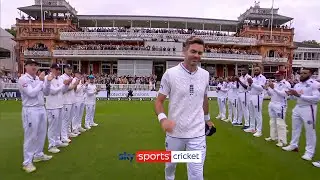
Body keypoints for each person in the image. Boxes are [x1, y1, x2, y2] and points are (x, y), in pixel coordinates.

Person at [154, 36, 213, 180]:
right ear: (184, 51)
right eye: (193, 51)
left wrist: (207, 119)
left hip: (197, 134)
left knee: (196, 175)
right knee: (170, 166)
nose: (197, 56)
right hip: (175, 133)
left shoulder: (205, 75)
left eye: (200, 53)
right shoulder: (170, 74)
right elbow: (159, 101)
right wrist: (163, 120)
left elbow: (204, 99)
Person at [18, 59, 53, 173]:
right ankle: (27, 162)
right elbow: (31, 93)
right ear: (26, 66)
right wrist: (41, 82)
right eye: (31, 65)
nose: (34, 67)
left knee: (42, 133)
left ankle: (38, 154)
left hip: (41, 107)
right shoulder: (23, 79)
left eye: (35, 65)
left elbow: (46, 93)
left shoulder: (38, 79)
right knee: (31, 136)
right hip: (30, 109)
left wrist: (47, 82)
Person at [282, 68, 320, 161]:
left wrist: (299, 95)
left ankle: (309, 152)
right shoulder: (298, 85)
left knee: (310, 130)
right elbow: (294, 98)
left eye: (305, 73)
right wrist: (291, 94)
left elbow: (316, 98)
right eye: (301, 73)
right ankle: (293, 145)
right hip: (298, 107)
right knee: (295, 128)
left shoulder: (314, 84)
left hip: (309, 108)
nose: (302, 75)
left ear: (310, 74)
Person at [45, 63, 71, 154]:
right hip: (52, 106)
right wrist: (63, 85)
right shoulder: (47, 78)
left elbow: (63, 91)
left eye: (59, 69)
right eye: (56, 69)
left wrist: (66, 85)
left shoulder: (59, 78)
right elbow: (52, 91)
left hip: (60, 104)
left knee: (58, 125)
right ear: (51, 69)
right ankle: (51, 145)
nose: (58, 71)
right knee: (52, 126)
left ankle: (57, 141)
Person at [264, 71, 291, 147]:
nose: (277, 77)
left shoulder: (286, 84)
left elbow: (284, 94)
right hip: (272, 103)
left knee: (280, 123)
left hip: (280, 105)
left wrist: (274, 88)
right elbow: (271, 94)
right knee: (272, 121)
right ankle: (273, 137)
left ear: (283, 75)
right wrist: (267, 89)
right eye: (276, 75)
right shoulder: (275, 83)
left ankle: (282, 141)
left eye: (278, 75)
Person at [245, 66, 266, 137]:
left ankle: (259, 130)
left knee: (258, 114)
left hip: (257, 97)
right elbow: (249, 89)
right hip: (251, 96)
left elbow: (260, 88)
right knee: (251, 113)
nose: (256, 71)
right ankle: (252, 128)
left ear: (260, 70)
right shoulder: (253, 78)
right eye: (255, 70)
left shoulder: (262, 78)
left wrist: (252, 84)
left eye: (257, 70)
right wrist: (250, 84)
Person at [60, 64, 80, 143]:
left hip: (71, 100)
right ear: (64, 69)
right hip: (66, 101)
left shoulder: (70, 78)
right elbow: (66, 89)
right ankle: (63, 136)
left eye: (70, 69)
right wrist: (75, 84)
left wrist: (76, 85)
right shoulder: (62, 77)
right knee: (65, 119)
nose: (69, 70)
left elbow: (74, 90)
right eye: (68, 69)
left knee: (69, 119)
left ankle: (68, 133)